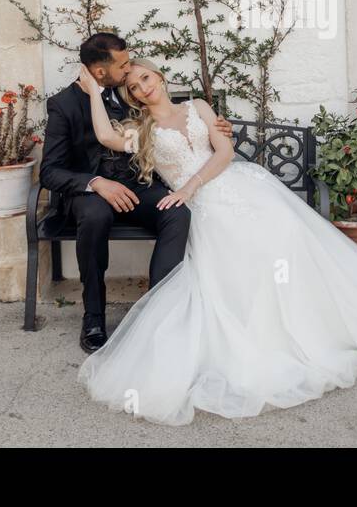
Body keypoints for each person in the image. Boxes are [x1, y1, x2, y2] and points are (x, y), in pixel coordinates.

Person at [75, 56, 357, 425]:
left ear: (159, 76)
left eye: (146, 77)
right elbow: (103, 136)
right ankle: (266, 340)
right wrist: (94, 92)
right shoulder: (142, 128)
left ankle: (314, 326)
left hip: (233, 185)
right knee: (242, 250)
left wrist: (193, 184)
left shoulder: (198, 107)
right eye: (133, 87)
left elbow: (224, 152)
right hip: (201, 207)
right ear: (132, 97)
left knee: (285, 233)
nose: (143, 86)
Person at [38, 33, 233, 353]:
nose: (129, 69)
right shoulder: (64, 105)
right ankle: (94, 317)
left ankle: (161, 307)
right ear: (100, 72)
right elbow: (50, 171)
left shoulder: (131, 94)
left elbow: (172, 124)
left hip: (138, 187)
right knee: (95, 215)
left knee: (176, 211)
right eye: (123, 64)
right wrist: (96, 183)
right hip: (91, 194)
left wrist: (220, 129)